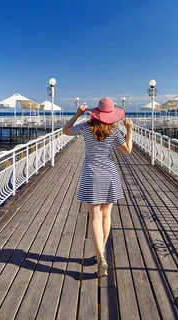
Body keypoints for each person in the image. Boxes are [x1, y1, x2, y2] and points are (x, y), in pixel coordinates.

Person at [63, 97, 133, 277]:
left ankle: (101, 257)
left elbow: (65, 131)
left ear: (95, 113)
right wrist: (130, 131)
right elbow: (128, 150)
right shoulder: (115, 132)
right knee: (106, 215)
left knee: (94, 218)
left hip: (91, 175)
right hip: (110, 175)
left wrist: (77, 114)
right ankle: (101, 252)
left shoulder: (86, 128)